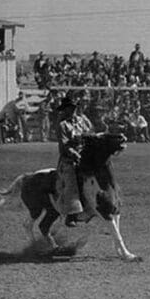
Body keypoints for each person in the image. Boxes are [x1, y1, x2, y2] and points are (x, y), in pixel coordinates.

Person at [56, 97, 93, 227]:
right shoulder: (63, 125)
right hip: (69, 159)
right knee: (71, 180)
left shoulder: (82, 121)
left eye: (74, 108)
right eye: (69, 108)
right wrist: (75, 154)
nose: (72, 110)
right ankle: (71, 214)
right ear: (64, 110)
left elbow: (89, 133)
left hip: (85, 155)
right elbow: (64, 146)